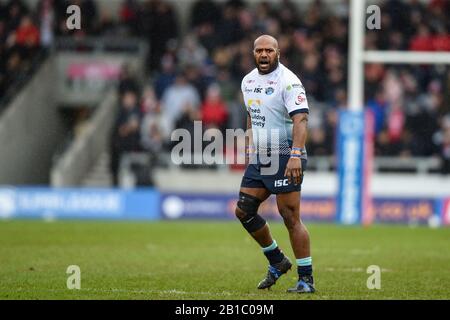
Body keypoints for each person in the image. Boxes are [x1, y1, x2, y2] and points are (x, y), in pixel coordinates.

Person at [235, 35, 314, 293]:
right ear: (253, 53)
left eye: (269, 50)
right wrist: (249, 143)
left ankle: (306, 279)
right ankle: (277, 260)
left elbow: (301, 119)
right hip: (263, 156)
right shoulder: (247, 81)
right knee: (244, 211)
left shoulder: (289, 81)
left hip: (285, 154)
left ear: (278, 52)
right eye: (260, 50)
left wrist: (295, 154)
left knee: (290, 217)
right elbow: (251, 115)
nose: (264, 54)